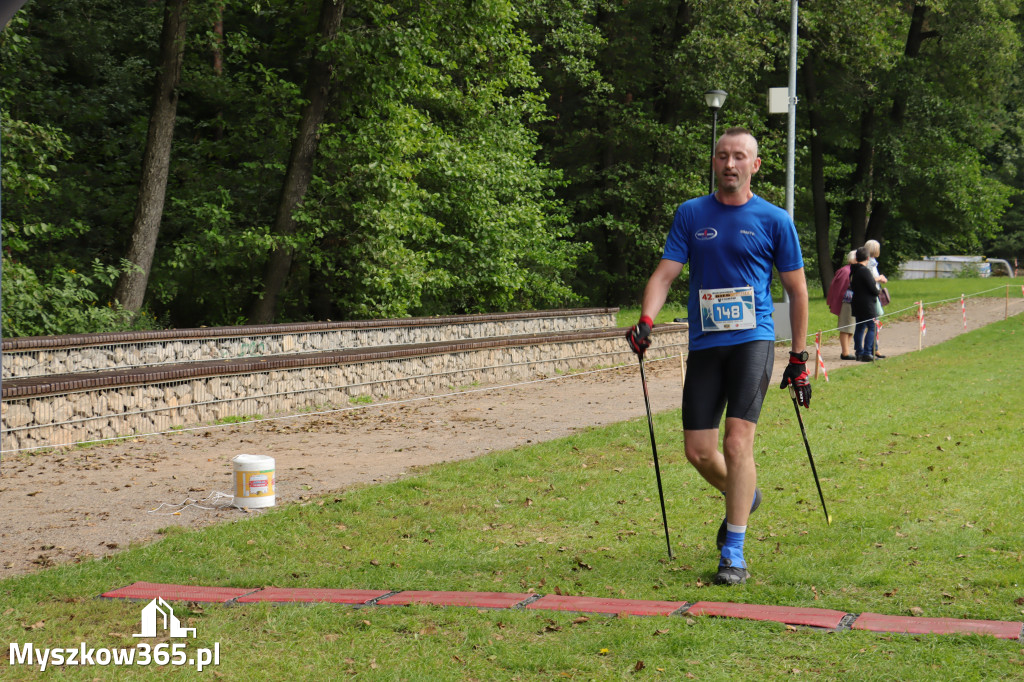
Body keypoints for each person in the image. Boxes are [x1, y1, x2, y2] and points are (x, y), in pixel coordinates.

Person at [624, 127, 810, 586]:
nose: (730, 164)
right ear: (714, 162)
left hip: (753, 341)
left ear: (755, 164)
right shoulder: (691, 214)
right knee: (698, 451)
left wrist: (799, 356)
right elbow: (665, 274)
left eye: (740, 157)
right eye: (723, 156)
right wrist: (646, 320)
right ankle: (744, 495)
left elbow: (797, 290)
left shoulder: (774, 219)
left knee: (736, 442)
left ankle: (734, 551)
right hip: (706, 344)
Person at [826, 250, 858, 360]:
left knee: (851, 328)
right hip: (847, 303)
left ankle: (847, 350)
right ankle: (845, 352)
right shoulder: (846, 271)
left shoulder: (853, 270)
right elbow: (839, 289)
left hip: (854, 303)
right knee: (846, 327)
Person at [849, 246, 879, 361]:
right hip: (867, 304)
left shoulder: (853, 270)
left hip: (856, 302)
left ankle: (859, 351)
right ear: (867, 258)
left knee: (860, 327)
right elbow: (872, 287)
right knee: (872, 326)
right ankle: (867, 352)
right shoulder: (864, 271)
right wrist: (878, 292)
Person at [864, 240, 888, 358]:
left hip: (872, 293)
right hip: (871, 294)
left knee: (873, 321)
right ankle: (869, 350)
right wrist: (880, 278)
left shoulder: (872, 262)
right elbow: (870, 278)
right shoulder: (870, 263)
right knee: (873, 322)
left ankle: (875, 348)